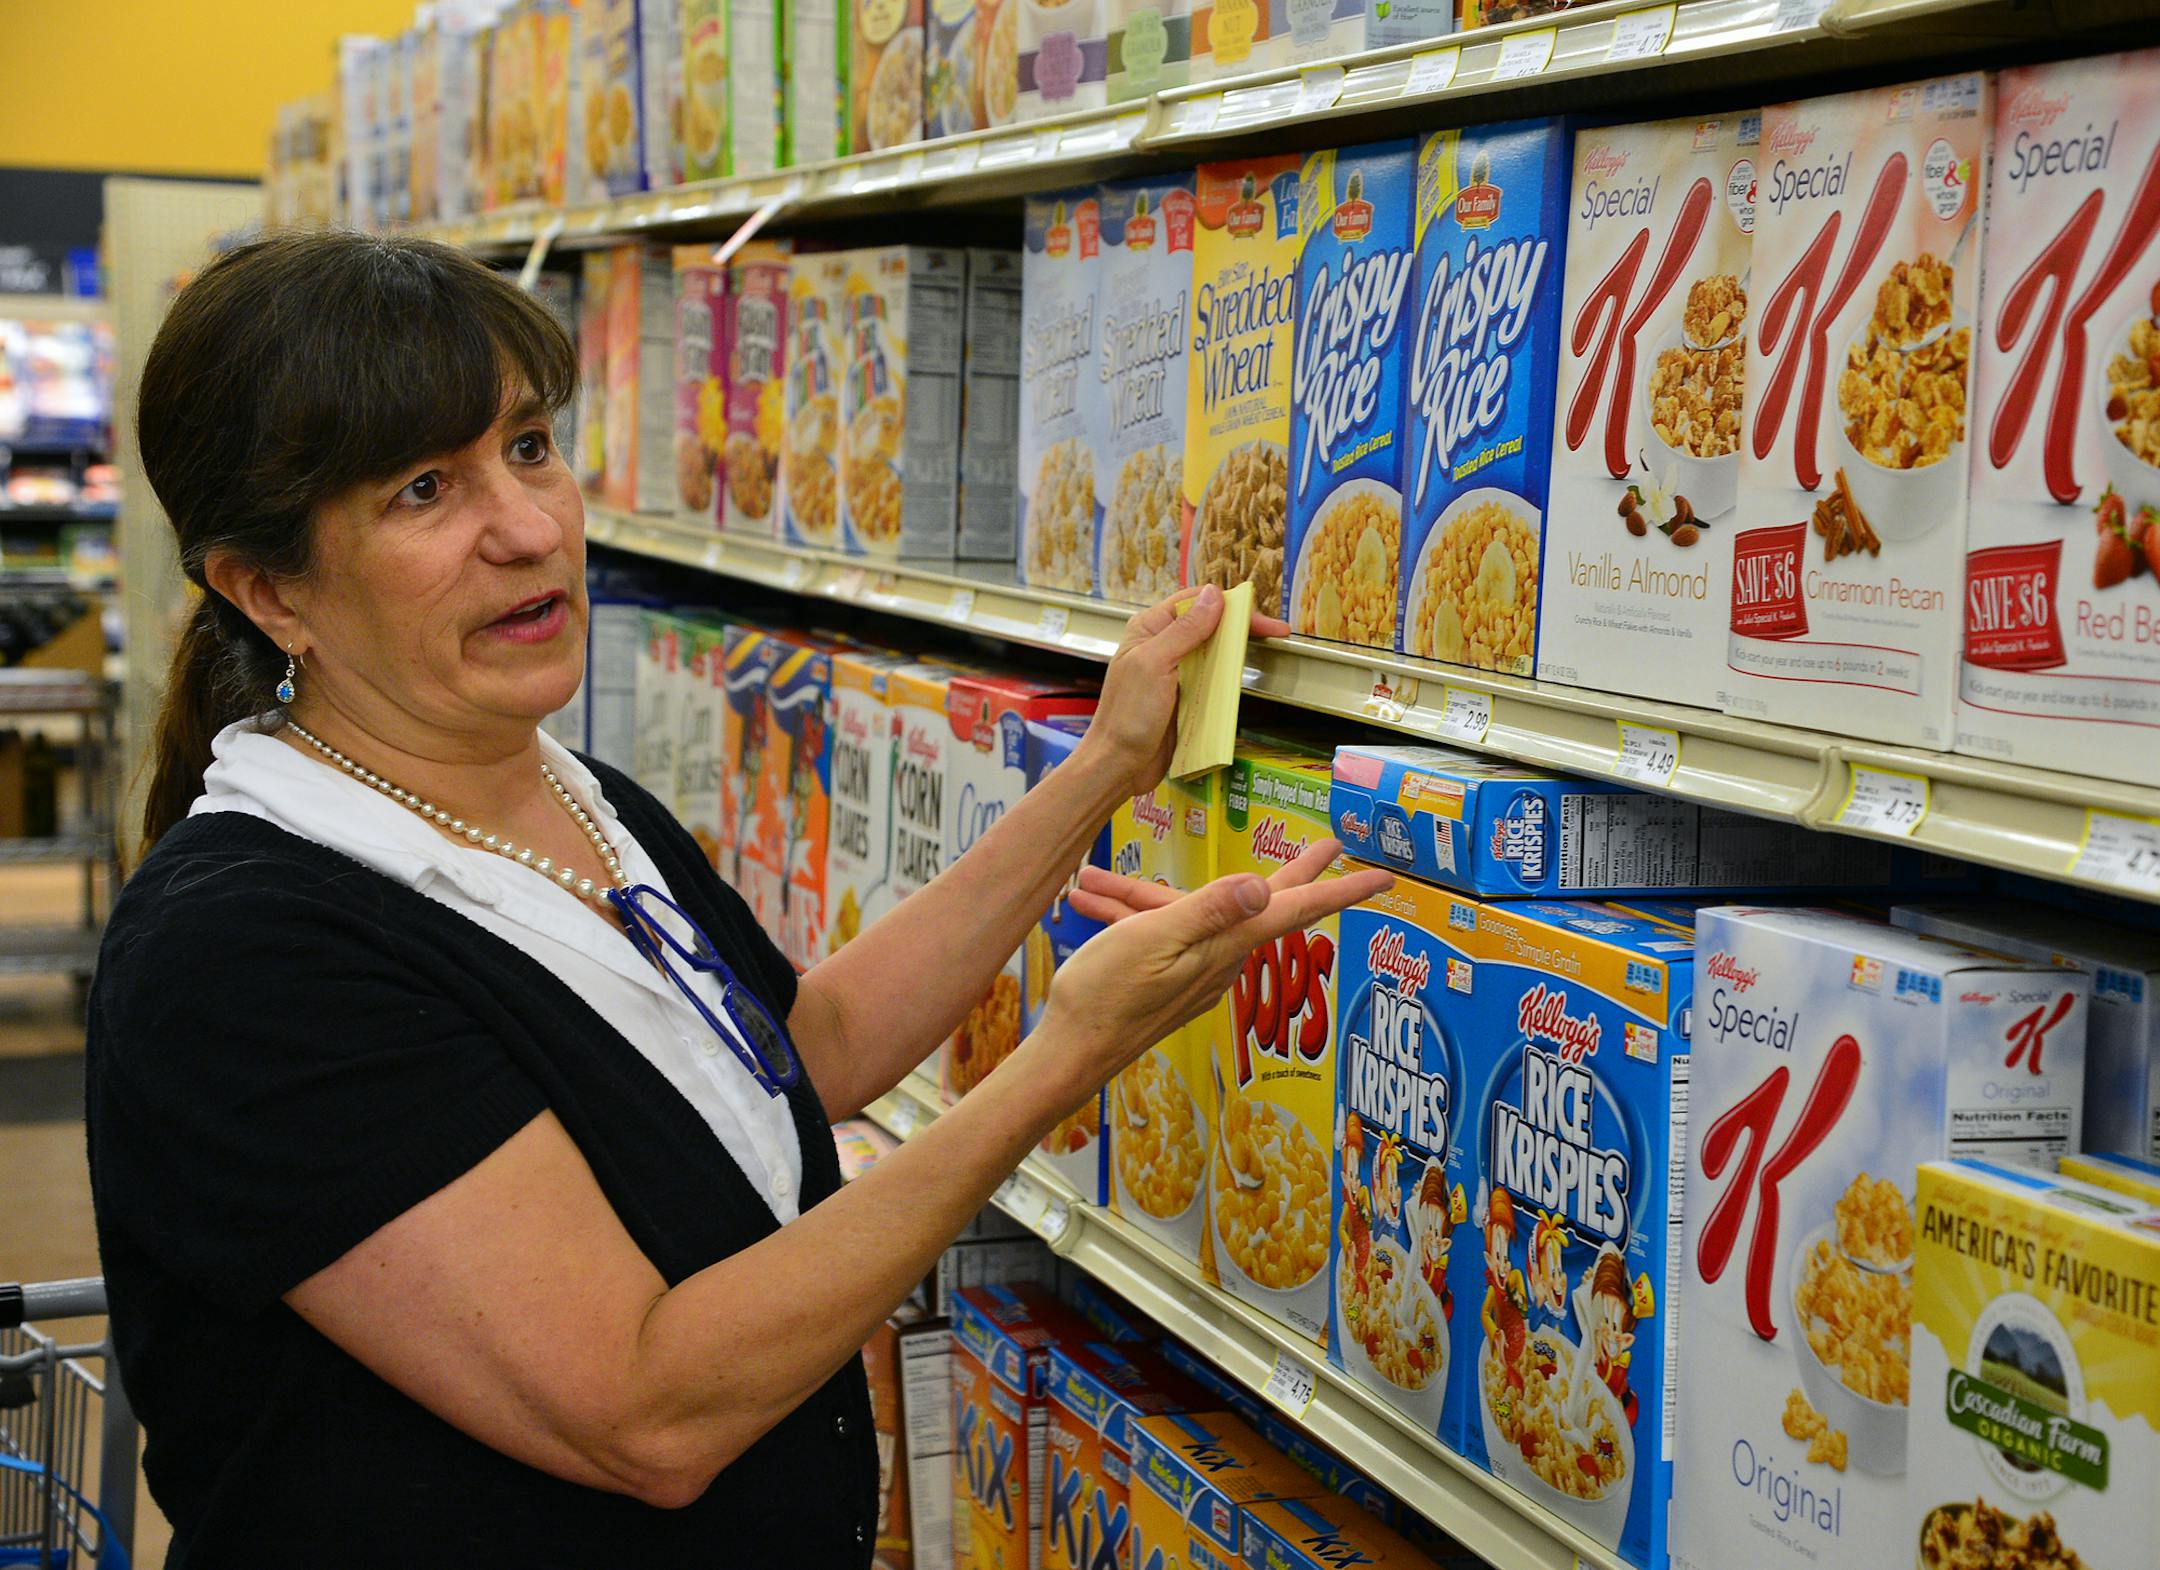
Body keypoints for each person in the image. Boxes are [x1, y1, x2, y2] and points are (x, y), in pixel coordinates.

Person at [86, 232, 1390, 1568]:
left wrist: (1104, 764)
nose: (529, 529)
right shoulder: (240, 952)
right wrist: (1063, 1057)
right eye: (426, 489)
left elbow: (808, 1047)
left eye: (530, 447)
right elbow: (646, 1410)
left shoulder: (565, 791)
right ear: (270, 590)